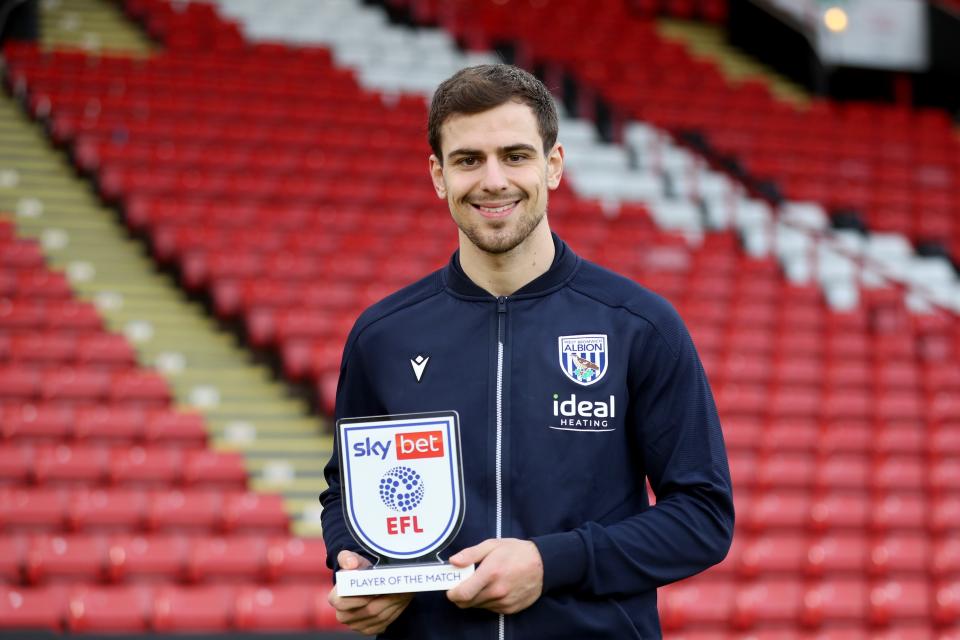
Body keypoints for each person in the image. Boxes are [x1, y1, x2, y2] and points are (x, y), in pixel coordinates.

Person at [320, 63, 734, 639]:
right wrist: (356, 566)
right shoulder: (384, 336)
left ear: (553, 165)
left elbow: (702, 517)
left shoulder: (638, 326)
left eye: (515, 155)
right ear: (438, 176)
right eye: (468, 160)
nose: (493, 180)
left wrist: (551, 562)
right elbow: (345, 493)